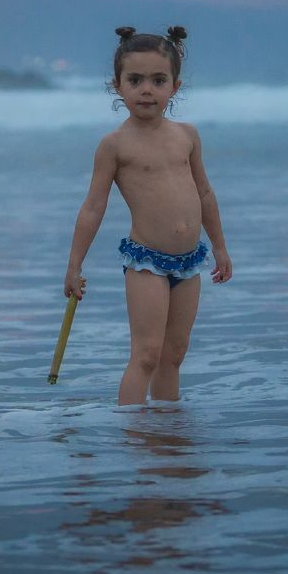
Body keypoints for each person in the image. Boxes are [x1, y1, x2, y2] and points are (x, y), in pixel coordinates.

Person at [63, 26, 233, 406]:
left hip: (190, 261)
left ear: (175, 86)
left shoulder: (187, 136)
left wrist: (220, 247)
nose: (146, 90)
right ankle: (131, 436)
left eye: (158, 80)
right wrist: (74, 265)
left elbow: (204, 193)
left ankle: (167, 431)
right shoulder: (114, 145)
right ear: (117, 85)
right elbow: (93, 207)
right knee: (146, 355)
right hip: (147, 263)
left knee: (174, 355)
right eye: (135, 80)